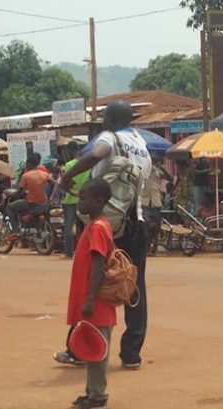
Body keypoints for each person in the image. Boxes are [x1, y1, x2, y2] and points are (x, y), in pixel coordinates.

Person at [59, 101, 151, 370]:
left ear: (109, 119)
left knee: (92, 280)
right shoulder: (141, 144)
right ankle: (131, 353)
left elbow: (95, 154)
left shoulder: (109, 138)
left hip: (108, 224)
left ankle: (79, 348)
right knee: (133, 285)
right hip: (136, 221)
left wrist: (69, 175)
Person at [67, 178, 116, 409]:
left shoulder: (97, 228)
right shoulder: (97, 224)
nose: (79, 202)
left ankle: (97, 395)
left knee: (97, 348)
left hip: (95, 299)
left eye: (83, 198)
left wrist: (89, 298)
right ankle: (92, 391)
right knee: (91, 345)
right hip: (93, 298)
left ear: (98, 201)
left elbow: (98, 263)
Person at [5, 152, 57, 232]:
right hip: (44, 203)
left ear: (28, 163)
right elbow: (56, 184)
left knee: (10, 208)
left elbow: (18, 193)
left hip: (31, 203)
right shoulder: (44, 174)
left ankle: (16, 230)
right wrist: (51, 197)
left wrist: (9, 193)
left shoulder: (26, 176)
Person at [62, 141, 90, 259]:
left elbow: (65, 183)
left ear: (69, 151)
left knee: (68, 227)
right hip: (85, 199)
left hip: (70, 200)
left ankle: (69, 252)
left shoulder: (68, 165)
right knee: (84, 227)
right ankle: (84, 252)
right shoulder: (88, 165)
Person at [142, 155, 172, 253]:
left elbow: (170, 178)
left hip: (156, 202)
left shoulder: (159, 172)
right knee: (147, 225)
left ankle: (154, 247)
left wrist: (163, 168)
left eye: (155, 162)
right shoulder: (143, 170)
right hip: (145, 201)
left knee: (156, 227)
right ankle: (146, 247)